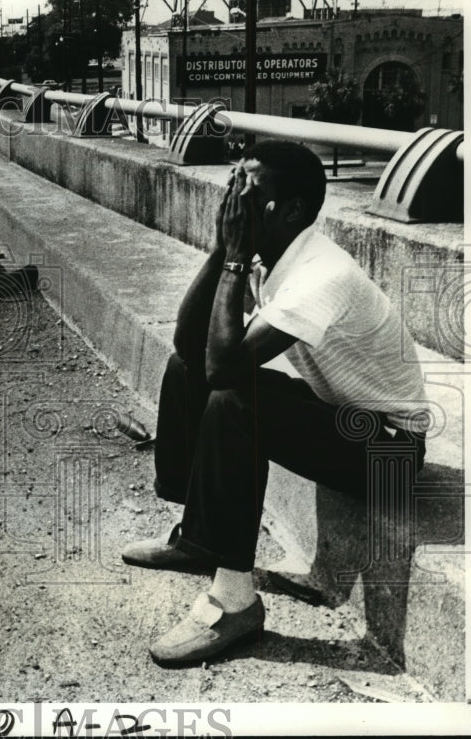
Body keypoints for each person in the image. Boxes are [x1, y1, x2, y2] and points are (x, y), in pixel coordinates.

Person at [121, 140, 429, 666]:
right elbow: (191, 347)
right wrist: (225, 250)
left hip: (391, 454)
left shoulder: (320, 274)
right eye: (233, 188)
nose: (236, 201)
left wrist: (237, 256)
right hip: (350, 422)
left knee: (237, 400)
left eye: (250, 192)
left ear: (291, 210)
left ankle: (234, 601)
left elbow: (226, 370)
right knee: (186, 369)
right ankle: (199, 539)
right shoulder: (275, 255)